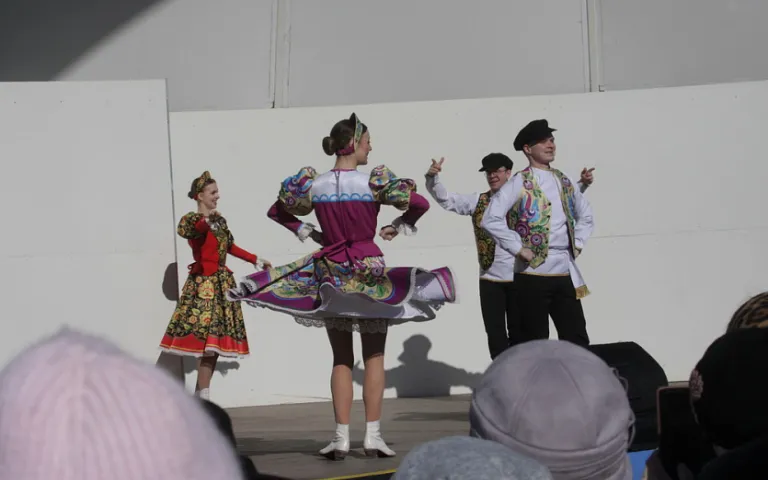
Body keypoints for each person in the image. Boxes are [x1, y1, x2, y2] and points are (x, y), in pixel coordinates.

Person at [227, 113, 457, 460]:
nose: (370, 148)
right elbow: (420, 203)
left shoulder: (314, 185)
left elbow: (278, 211)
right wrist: (397, 224)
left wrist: (310, 232)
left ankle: (341, 437)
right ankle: (373, 436)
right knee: (374, 355)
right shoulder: (372, 182)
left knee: (341, 358)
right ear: (353, 143)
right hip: (368, 270)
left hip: (331, 272)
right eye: (367, 142)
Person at [425, 153, 593, 359]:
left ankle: (523, 373)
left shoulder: (525, 198)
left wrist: (581, 185)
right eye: (488, 172)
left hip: (519, 278)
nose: (492, 176)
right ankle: (502, 374)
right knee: (495, 336)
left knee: (521, 335)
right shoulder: (479, 201)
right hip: (491, 279)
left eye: (497, 171)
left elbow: (555, 202)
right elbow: (447, 200)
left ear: (508, 173)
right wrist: (432, 178)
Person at [480, 119, 594, 346]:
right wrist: (518, 248)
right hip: (532, 274)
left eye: (551, 140)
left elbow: (586, 215)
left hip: (564, 270)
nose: (550, 145)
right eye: (543, 142)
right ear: (527, 149)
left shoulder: (564, 179)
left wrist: (578, 243)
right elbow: (490, 219)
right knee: (533, 342)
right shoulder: (519, 181)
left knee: (576, 338)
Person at [160, 171, 270, 400]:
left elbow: (230, 246)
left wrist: (255, 259)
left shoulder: (220, 221)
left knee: (214, 344)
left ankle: (201, 394)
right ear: (200, 196)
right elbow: (191, 231)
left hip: (221, 284)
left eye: (217, 192)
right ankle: (204, 396)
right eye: (213, 192)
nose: (217, 196)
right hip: (204, 286)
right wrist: (207, 221)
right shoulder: (191, 219)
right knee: (206, 343)